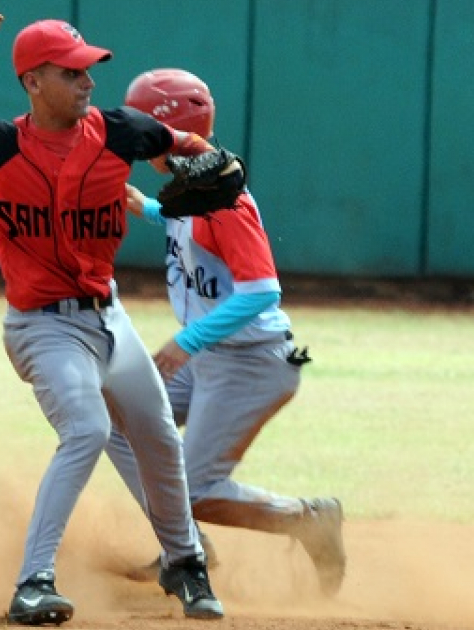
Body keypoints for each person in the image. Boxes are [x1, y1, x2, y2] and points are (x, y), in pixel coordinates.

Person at [0, 9, 229, 624]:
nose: (88, 82)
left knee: (156, 437)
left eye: (89, 69)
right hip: (42, 327)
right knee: (88, 429)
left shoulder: (120, 131)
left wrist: (201, 166)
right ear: (33, 83)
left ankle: (185, 562)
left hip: (109, 319)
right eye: (72, 73)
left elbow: (193, 148)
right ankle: (34, 581)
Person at [103, 68, 347, 596]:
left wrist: (186, 341)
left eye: (136, 121)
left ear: (164, 128)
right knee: (113, 414)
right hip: (214, 359)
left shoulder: (225, 199)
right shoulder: (196, 183)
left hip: (250, 364)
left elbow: (261, 292)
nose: (128, 132)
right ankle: (185, 547)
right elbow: (181, 220)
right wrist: (142, 205)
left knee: (193, 490)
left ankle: (308, 518)